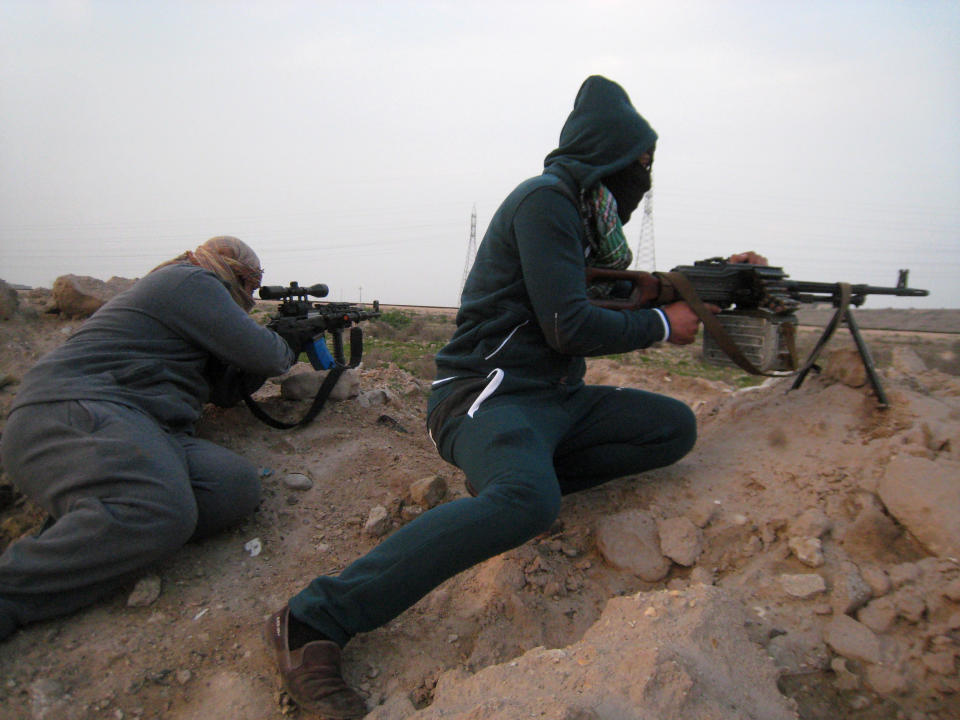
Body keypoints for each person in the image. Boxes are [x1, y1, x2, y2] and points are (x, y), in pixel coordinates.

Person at [264, 76, 765, 719]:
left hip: (555, 400)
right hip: (482, 394)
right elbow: (571, 324)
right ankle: (310, 621)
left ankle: (514, 484)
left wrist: (715, 278)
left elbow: (614, 294)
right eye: (636, 166)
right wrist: (666, 325)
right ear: (605, 157)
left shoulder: (585, 224)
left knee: (671, 429)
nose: (641, 181)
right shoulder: (545, 203)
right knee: (529, 500)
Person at [0, 236, 296, 642]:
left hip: (145, 427)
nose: (250, 296)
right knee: (163, 511)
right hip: (75, 408)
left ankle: (97, 523)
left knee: (233, 487)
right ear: (230, 270)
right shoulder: (189, 282)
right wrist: (287, 340)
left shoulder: (190, 305)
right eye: (250, 284)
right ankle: (12, 592)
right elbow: (270, 355)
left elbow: (226, 392)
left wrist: (280, 343)